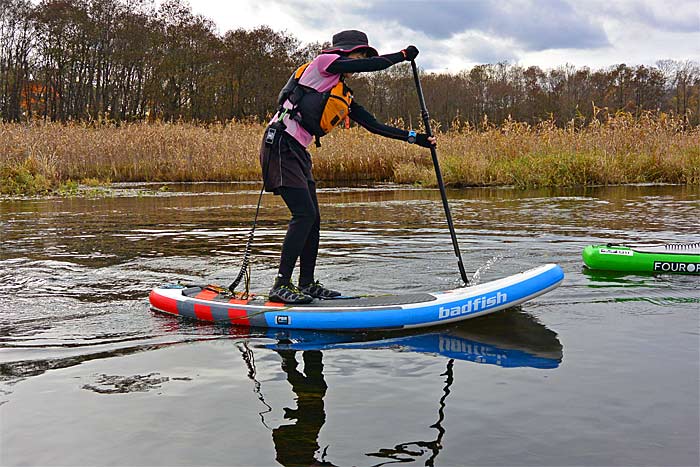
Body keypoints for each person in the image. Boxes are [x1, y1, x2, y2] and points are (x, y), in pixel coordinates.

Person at [260, 30, 436, 304]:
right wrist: (402, 56)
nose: (362, 60)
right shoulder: (323, 63)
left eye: (364, 55)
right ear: (347, 51)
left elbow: (375, 126)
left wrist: (417, 139)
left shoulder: (342, 94)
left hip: (298, 151)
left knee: (313, 219)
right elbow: (368, 66)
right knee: (304, 215)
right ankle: (281, 285)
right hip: (280, 144)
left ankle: (306, 284)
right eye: (361, 54)